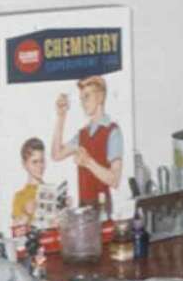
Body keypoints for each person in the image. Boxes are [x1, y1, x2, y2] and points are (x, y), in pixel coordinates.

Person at [51, 75, 123, 213]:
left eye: (87, 96)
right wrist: (61, 116)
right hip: (83, 207)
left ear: (100, 97)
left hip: (102, 208)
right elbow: (56, 154)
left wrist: (88, 162)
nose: (83, 103)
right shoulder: (83, 133)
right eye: (81, 99)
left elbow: (115, 180)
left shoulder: (112, 131)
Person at [11, 137, 48, 230]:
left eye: (42, 161)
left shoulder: (52, 191)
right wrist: (27, 213)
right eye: (34, 162)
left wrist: (65, 209)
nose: (40, 166)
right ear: (24, 164)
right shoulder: (20, 196)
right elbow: (16, 231)